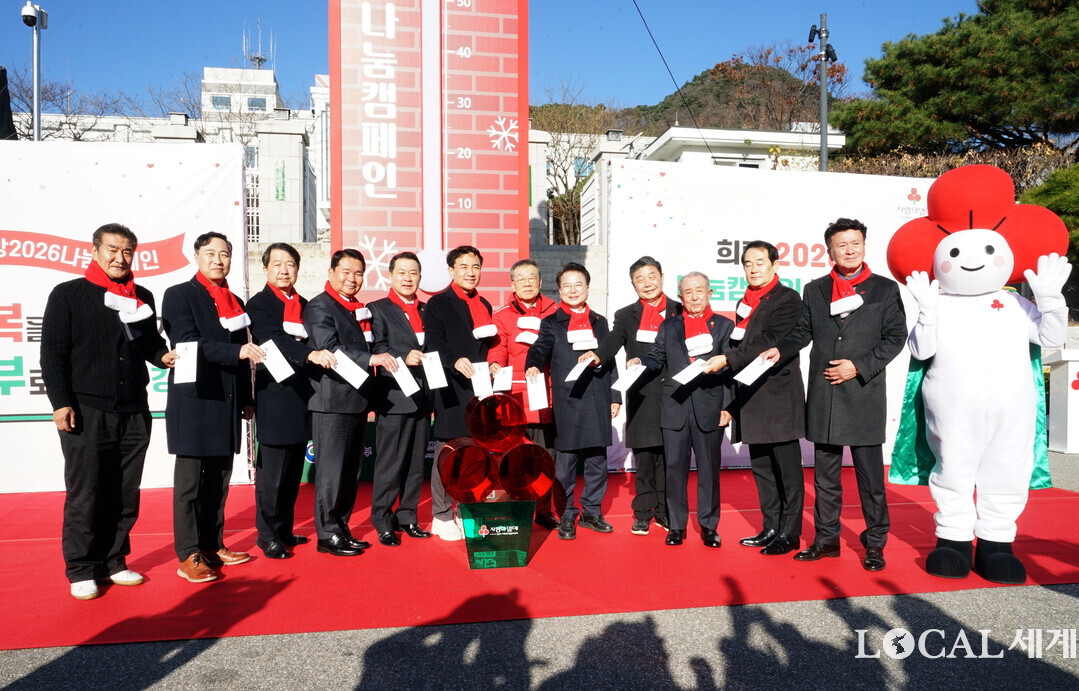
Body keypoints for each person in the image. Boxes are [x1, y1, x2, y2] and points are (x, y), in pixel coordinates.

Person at [762, 218, 907, 571]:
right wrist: (780, 350)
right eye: (841, 245)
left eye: (855, 243)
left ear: (864, 245)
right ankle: (826, 540)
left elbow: (895, 338)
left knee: (870, 480)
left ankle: (875, 543)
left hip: (863, 395)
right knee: (825, 478)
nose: (849, 250)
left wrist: (857, 366)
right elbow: (802, 331)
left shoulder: (885, 290)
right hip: (825, 396)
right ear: (830, 251)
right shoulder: (814, 290)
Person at [41, 223, 176, 600]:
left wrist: (162, 356)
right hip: (86, 409)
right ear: (96, 249)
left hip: (134, 408)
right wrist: (60, 403)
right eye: (113, 250)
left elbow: (149, 341)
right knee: (86, 490)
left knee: (124, 490)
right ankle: (82, 567)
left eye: (128, 251)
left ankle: (115, 560)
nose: (120, 258)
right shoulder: (69, 295)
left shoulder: (141, 295)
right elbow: (52, 354)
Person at [163, 231, 263, 583]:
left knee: (218, 482)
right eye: (211, 253)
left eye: (224, 254)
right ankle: (188, 554)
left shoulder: (234, 300)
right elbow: (188, 342)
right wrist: (236, 352)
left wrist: (247, 399)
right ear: (197, 256)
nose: (218, 260)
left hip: (227, 403)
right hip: (194, 402)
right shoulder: (179, 295)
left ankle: (211, 545)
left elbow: (243, 355)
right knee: (189, 485)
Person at [713, 241, 806, 556]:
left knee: (787, 470)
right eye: (748, 263)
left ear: (775, 265)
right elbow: (740, 338)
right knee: (763, 467)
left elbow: (769, 340)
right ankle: (770, 526)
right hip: (751, 394)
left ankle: (790, 533)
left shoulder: (788, 299)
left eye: (760, 262)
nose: (753, 268)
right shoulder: (745, 301)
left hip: (778, 396)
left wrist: (727, 359)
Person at [246, 243, 337, 559]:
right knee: (272, 474)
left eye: (290, 264)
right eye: (277, 264)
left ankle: (284, 529)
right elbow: (274, 339)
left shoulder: (306, 304)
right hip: (276, 398)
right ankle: (267, 534)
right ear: (266, 268)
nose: (284, 270)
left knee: (292, 471)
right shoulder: (258, 305)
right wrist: (308, 353)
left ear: (297, 269)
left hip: (304, 396)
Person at [305, 249, 398, 557]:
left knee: (349, 472)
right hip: (331, 401)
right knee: (331, 473)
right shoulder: (320, 306)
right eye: (346, 271)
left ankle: (341, 527)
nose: (352, 279)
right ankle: (327, 533)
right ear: (331, 273)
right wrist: (371, 358)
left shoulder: (357, 309)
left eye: (358, 273)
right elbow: (329, 347)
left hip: (356, 400)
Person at [581, 256, 681, 536]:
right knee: (645, 458)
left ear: (662, 276)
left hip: (675, 394)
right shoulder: (626, 315)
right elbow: (613, 341)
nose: (647, 283)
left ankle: (665, 511)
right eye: (640, 279)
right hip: (643, 396)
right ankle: (642, 512)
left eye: (651, 276)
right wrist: (599, 355)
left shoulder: (680, 309)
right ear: (633, 284)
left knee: (669, 458)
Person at [632, 271, 733, 548]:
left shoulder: (724, 325)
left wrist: (728, 405)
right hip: (675, 405)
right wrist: (639, 361)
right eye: (688, 292)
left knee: (709, 470)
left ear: (710, 292)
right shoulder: (669, 326)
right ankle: (676, 525)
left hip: (709, 407)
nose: (694, 296)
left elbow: (730, 369)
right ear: (681, 297)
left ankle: (709, 526)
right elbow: (655, 357)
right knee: (674, 469)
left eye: (699, 290)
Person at [525, 262, 620, 540]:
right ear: (559, 290)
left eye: (578, 284)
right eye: (566, 285)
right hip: (567, 402)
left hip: (598, 398)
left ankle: (592, 512)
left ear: (588, 288)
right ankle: (566, 515)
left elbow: (611, 360)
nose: (573, 290)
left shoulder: (601, 322)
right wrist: (532, 365)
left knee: (596, 461)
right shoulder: (551, 322)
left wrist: (614, 397)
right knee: (565, 464)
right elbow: (539, 348)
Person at [424, 246, 497, 541]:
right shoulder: (438, 303)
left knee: (473, 452)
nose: (470, 272)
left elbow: (486, 346)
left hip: (478, 388)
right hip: (452, 388)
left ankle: (463, 508)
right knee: (448, 451)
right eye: (464, 266)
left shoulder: (485, 304)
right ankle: (440, 515)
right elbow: (433, 341)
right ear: (451, 270)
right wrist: (454, 359)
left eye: (476, 266)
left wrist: (492, 364)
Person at [487, 258, 561, 529]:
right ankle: (518, 509)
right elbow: (498, 347)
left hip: (545, 395)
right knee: (516, 458)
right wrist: (495, 361)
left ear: (541, 282)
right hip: (515, 396)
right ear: (512, 284)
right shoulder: (502, 314)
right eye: (521, 278)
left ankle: (543, 510)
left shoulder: (555, 311)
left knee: (545, 456)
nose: (527, 283)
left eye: (532, 278)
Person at [367, 252, 434, 546]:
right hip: (394, 396)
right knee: (390, 462)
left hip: (423, 395)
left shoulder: (428, 309)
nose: (408, 278)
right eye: (402, 273)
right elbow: (378, 345)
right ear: (390, 276)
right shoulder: (377, 309)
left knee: (416, 463)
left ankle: (407, 516)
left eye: (414, 273)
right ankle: (382, 519)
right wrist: (402, 357)